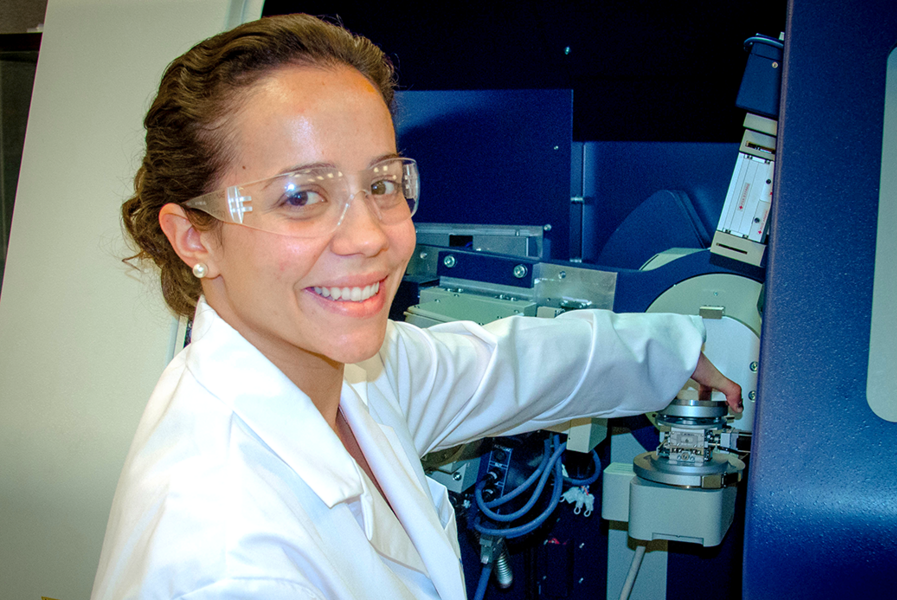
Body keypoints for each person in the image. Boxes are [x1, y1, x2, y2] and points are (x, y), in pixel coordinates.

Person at [92, 13, 741, 600]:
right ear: (195, 238)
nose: (372, 236)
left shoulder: (344, 377)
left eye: (380, 184)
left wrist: (674, 350)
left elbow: (506, 366)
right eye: (300, 197)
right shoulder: (228, 564)